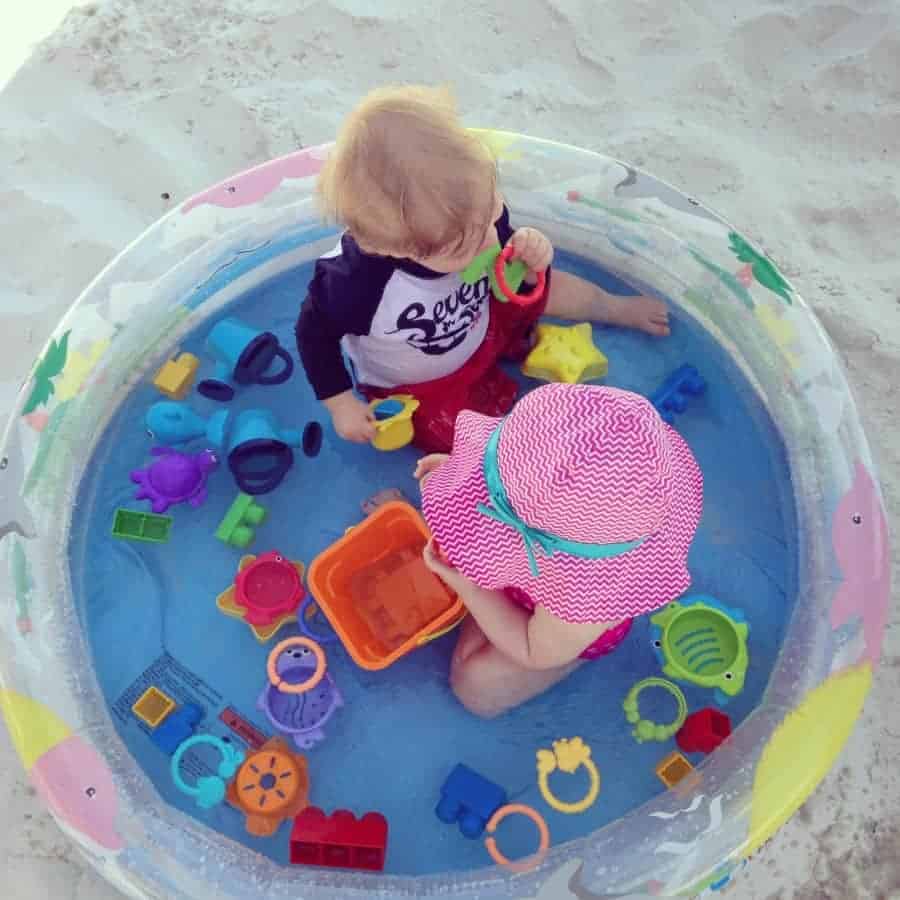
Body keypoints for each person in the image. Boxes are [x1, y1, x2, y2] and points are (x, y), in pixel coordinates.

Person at [295, 84, 670, 453]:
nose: (489, 240)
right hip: (421, 383)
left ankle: (612, 307)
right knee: (458, 444)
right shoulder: (357, 285)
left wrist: (530, 252)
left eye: (490, 211)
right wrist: (340, 403)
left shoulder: (468, 212)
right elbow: (314, 335)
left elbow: (508, 260)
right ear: (388, 246)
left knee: (545, 285)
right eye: (462, 244)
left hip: (484, 320)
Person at [416, 383, 703, 718]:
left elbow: (533, 648)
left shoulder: (590, 597)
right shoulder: (586, 462)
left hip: (554, 636)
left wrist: (470, 586)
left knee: (473, 687)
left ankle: (570, 662)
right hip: (538, 587)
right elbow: (529, 475)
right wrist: (459, 474)